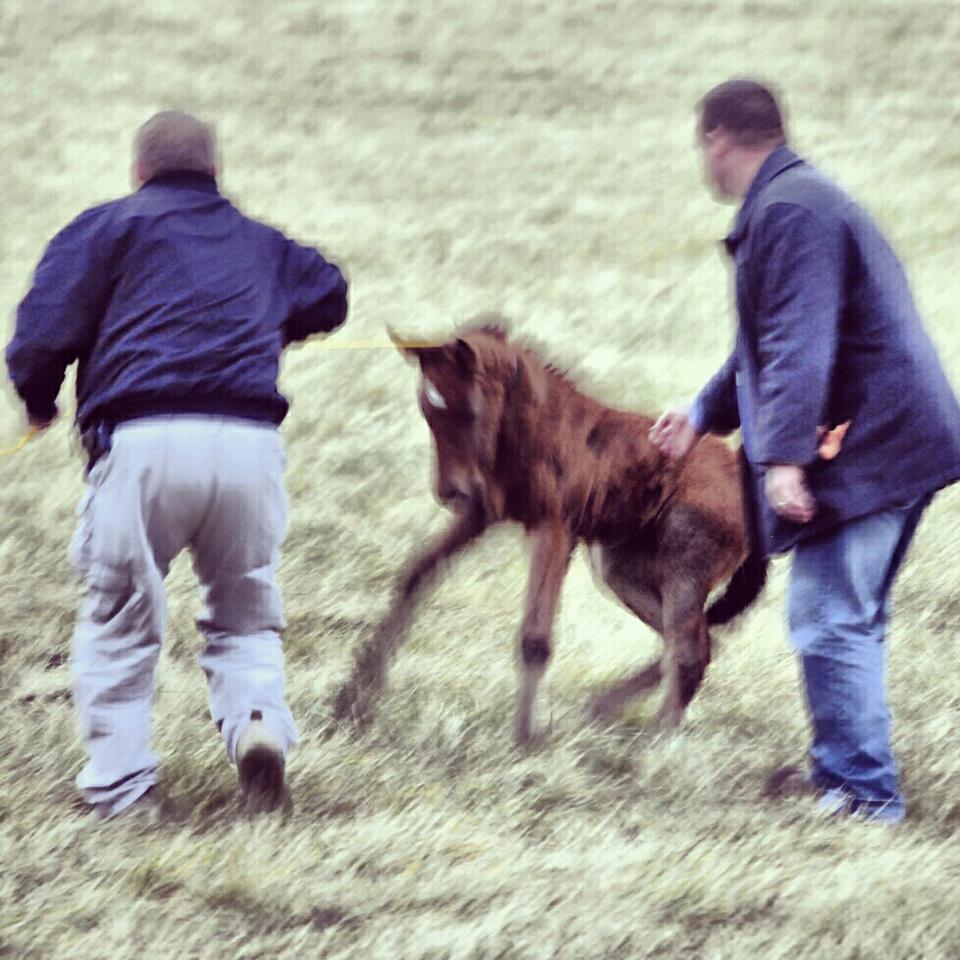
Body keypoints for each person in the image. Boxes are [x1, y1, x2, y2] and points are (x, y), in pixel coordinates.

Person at [6, 111, 348, 818]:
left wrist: (41, 406)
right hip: (250, 446)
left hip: (143, 444)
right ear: (216, 173)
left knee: (121, 618)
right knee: (244, 614)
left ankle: (124, 789)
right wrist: (270, 320)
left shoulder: (106, 228)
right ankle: (257, 728)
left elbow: (39, 339)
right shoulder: (259, 241)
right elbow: (330, 292)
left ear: (138, 173)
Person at [650, 79, 960, 823]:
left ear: (719, 138)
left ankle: (862, 796)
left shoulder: (791, 211)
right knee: (847, 616)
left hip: (870, 444)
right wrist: (701, 414)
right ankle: (847, 773)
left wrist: (784, 457)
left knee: (830, 619)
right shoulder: (797, 202)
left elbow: (798, 342)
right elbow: (767, 344)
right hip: (888, 437)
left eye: (704, 147)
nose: (704, 161)